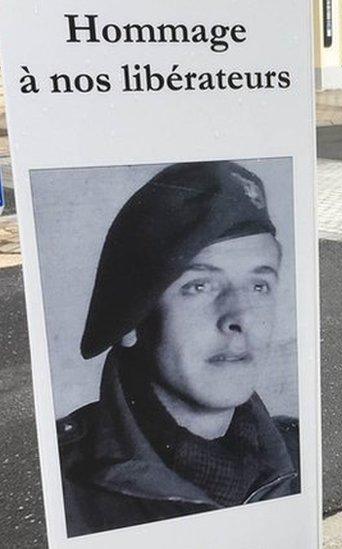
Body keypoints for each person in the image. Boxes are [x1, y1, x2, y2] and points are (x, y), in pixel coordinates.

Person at [57, 161, 300, 537]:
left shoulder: (297, 454)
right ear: (131, 320)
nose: (240, 318)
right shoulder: (65, 481)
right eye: (199, 285)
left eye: (259, 286)